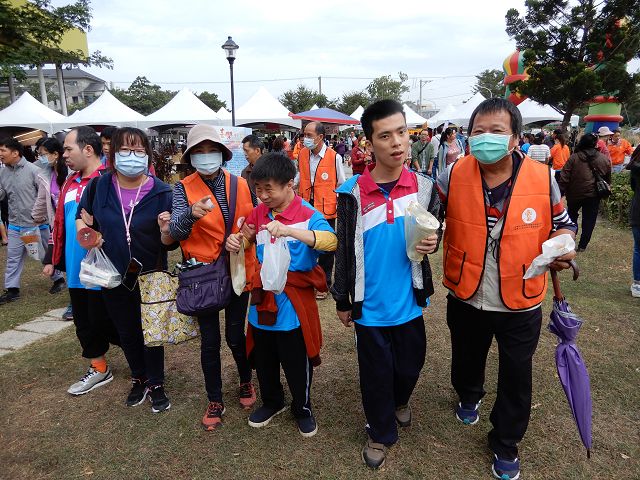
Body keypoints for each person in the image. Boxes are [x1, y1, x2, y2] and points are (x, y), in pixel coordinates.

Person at [437, 98, 577, 480]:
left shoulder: (541, 176)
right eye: (478, 131)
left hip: (521, 298)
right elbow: (432, 216)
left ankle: (506, 442)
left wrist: (563, 245)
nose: (485, 138)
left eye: (496, 131)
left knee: (517, 375)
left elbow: (565, 225)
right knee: (466, 357)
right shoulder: (453, 173)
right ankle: (469, 394)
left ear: (515, 138)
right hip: (466, 292)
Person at [332, 100, 440, 469]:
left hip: (409, 299)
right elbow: (343, 249)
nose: (397, 142)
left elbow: (432, 229)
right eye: (385, 135)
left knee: (410, 365)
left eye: (401, 132)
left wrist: (433, 242)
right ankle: (380, 432)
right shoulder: (351, 192)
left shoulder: (424, 187)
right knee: (376, 374)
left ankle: (400, 400)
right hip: (370, 305)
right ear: (368, 142)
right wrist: (342, 299)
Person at [226, 152, 336, 438]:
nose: (262, 195)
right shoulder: (259, 211)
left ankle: (303, 407)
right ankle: (272, 401)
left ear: (290, 184)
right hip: (263, 300)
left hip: (293, 303)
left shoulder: (308, 214)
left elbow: (330, 241)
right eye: (258, 189)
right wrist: (238, 239)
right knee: (264, 357)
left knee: (296, 359)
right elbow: (248, 236)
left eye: (268, 188)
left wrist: (290, 231)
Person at [76, 127, 175, 413]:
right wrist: (90, 236)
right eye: (125, 151)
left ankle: (156, 382)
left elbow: (170, 243)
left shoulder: (161, 191)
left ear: (147, 155)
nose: (132, 157)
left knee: (151, 331)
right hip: (111, 274)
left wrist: (166, 230)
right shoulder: (98, 187)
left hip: (150, 274)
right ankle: (139, 377)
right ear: (112, 153)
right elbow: (83, 222)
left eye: (139, 151)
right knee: (127, 329)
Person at [169, 124, 257, 430]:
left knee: (235, 335)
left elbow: (256, 222)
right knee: (210, 341)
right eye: (199, 152)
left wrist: (243, 239)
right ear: (191, 156)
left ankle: (246, 380)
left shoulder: (242, 184)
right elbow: (175, 232)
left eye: (211, 150)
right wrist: (191, 214)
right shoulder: (182, 188)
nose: (206, 157)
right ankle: (214, 398)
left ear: (221, 153)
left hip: (237, 267)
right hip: (203, 274)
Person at [46, 126, 119, 395]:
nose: (63, 154)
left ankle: (143, 364)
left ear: (88, 149)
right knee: (85, 322)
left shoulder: (110, 179)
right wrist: (52, 258)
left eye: (68, 148)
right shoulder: (70, 181)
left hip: (105, 269)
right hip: (77, 270)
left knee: (113, 319)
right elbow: (60, 223)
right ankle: (99, 367)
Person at [0, 137, 63, 304]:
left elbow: (44, 196)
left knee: (43, 254)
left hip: (37, 224)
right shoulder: (3, 172)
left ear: (15, 153)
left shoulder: (34, 171)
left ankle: (58, 279)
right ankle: (12, 290)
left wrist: (41, 217)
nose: (0, 154)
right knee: (13, 257)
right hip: (14, 224)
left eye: (3, 151)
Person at [297, 121, 346, 300]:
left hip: (327, 208)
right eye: (304, 135)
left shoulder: (334, 157)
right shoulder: (302, 154)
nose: (305, 139)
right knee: (306, 244)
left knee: (326, 248)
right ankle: (308, 279)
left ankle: (324, 284)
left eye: (309, 136)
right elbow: (299, 176)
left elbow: (341, 184)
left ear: (320, 137)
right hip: (305, 206)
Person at [558, 133, 611, 252]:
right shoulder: (603, 159)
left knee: (571, 217)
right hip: (594, 195)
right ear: (595, 143)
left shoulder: (574, 158)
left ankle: (570, 239)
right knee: (589, 219)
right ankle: (583, 245)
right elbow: (607, 179)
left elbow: (564, 177)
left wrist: (560, 193)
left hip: (574, 194)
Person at [31, 137, 69, 295]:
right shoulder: (46, 175)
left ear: (55, 154)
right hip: (57, 223)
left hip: (73, 221)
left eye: (44, 154)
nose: (41, 158)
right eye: (39, 154)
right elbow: (42, 199)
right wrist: (36, 216)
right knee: (66, 260)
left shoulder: (70, 172)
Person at [626, 147, 640, 297]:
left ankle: (637, 284)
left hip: (638, 210)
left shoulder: (635, 168)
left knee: (638, 248)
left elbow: (633, 187)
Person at [241, 134, 264, 204]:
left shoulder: (272, 168)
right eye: (243, 151)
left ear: (257, 151)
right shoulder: (245, 172)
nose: (244, 154)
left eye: (246, 151)